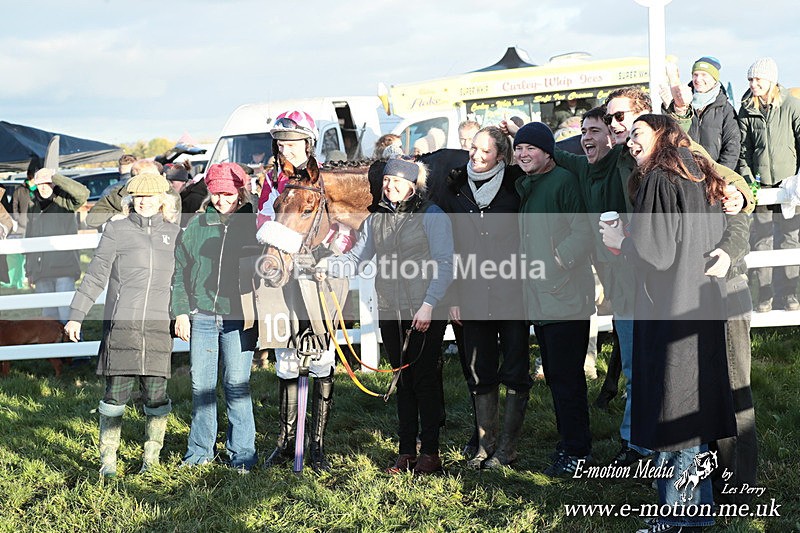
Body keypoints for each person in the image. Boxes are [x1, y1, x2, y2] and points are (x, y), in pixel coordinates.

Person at [541, 86, 753, 469]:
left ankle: (725, 476)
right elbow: (563, 158)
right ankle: (648, 450)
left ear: (644, 120)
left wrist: (740, 202)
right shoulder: (607, 161)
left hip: (686, 285)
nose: (614, 124)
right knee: (648, 375)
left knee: (706, 385)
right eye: (609, 119)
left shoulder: (674, 154)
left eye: (621, 117)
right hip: (635, 287)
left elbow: (729, 183)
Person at [600, 114, 736, 532]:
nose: (628, 142)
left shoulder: (660, 176)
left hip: (670, 306)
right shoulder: (698, 170)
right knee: (692, 409)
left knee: (672, 409)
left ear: (662, 132)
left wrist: (620, 241)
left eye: (636, 133)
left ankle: (674, 517)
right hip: (699, 302)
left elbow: (656, 253)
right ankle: (700, 512)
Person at [317, 157, 454, 475]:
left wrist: (430, 304)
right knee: (402, 380)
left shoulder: (432, 215)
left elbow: (446, 263)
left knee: (425, 380)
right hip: (391, 309)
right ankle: (406, 451)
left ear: (412, 185)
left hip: (424, 309)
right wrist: (328, 266)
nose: (389, 186)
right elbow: (356, 258)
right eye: (386, 181)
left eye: (397, 181)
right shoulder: (375, 220)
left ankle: (431, 453)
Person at [64, 172, 180, 477]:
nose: (144, 202)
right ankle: (108, 463)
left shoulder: (175, 233)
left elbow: (183, 280)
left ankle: (151, 460)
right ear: (130, 200)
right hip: (122, 327)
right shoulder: (116, 230)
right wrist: (77, 314)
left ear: (162, 200)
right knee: (115, 396)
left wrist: (182, 314)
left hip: (158, 329)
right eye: (138, 198)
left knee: (156, 397)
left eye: (151, 197)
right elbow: (96, 274)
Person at [437, 126, 530, 469]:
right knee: (479, 370)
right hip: (471, 293)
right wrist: (452, 297)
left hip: (513, 292)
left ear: (501, 157)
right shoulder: (454, 190)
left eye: (484, 151)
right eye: (472, 148)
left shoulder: (517, 186)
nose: (475, 156)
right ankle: (484, 444)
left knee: (516, 370)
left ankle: (508, 448)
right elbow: (447, 249)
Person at [257, 110, 345, 471]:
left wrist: (327, 252)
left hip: (319, 274)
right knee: (288, 359)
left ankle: (318, 445)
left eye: (293, 143)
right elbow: (263, 220)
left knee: (322, 359)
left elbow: (346, 224)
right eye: (281, 143)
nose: (286, 149)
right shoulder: (271, 179)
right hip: (283, 276)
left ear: (308, 144)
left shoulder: (327, 178)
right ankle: (285, 442)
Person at [514, 122, 595, 477]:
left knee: (567, 379)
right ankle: (568, 443)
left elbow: (583, 229)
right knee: (558, 377)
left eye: (530, 148)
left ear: (548, 151)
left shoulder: (562, 182)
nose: (522, 154)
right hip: (542, 299)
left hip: (565, 297)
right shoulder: (529, 185)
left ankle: (577, 451)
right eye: (518, 149)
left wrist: (560, 260)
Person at [172, 162, 259, 472]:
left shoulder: (254, 224)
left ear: (240, 192)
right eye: (216, 193)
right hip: (203, 317)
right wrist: (180, 311)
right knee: (201, 386)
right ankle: (199, 452)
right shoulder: (197, 226)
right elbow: (180, 271)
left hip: (239, 316)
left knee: (237, 384)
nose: (222, 200)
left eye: (228, 193)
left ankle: (243, 454)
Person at [738, 57, 800, 312]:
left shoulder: (792, 106)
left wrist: (798, 177)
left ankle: (790, 295)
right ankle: (764, 295)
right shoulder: (747, 110)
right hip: (760, 186)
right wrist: (747, 177)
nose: (753, 84)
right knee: (761, 240)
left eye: (758, 79)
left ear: (771, 80)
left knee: (790, 238)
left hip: (788, 185)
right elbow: (743, 148)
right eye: (750, 79)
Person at [24, 168, 90, 323]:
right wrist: (30, 270)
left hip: (63, 267)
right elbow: (30, 238)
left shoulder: (65, 201)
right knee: (49, 318)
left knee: (67, 315)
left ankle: (74, 344)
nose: (44, 187)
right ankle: (54, 347)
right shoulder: (33, 205)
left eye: (48, 182)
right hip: (41, 271)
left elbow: (83, 194)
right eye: (41, 183)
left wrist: (56, 177)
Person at [663, 56, 740, 170]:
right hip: (685, 173)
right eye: (695, 75)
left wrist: (720, 176)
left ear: (714, 79)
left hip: (715, 175)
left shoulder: (725, 109)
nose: (698, 79)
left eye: (704, 75)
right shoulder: (681, 104)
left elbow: (732, 146)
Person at [86, 159, 172, 229]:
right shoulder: (117, 194)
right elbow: (92, 220)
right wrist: (121, 215)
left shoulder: (168, 193)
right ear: (134, 179)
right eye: (146, 179)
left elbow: (173, 222)